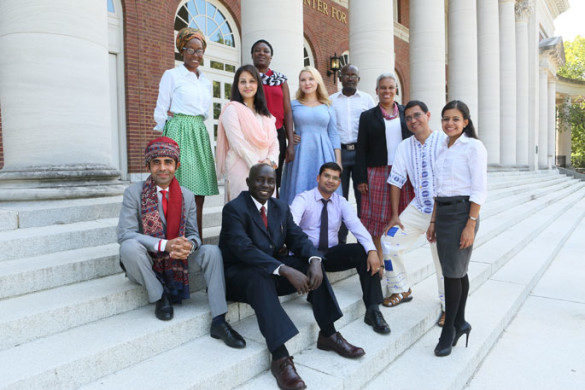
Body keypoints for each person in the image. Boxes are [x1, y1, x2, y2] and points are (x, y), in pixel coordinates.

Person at [219, 164, 364, 390]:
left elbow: (298, 238)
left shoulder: (279, 207)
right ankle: (280, 358)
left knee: (312, 265)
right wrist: (284, 269)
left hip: (267, 270)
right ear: (248, 183)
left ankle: (328, 334)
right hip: (239, 276)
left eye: (270, 181)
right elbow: (243, 249)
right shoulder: (234, 209)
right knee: (261, 278)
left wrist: (314, 260)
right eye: (260, 180)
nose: (266, 186)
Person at [117, 137, 245, 349]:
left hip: (178, 258)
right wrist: (164, 245)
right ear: (147, 166)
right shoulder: (134, 193)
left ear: (177, 165)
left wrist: (189, 246)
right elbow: (125, 234)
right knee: (128, 247)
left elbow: (194, 234)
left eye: (168, 162)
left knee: (212, 251)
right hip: (146, 262)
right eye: (156, 162)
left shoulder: (186, 195)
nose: (162, 167)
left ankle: (220, 320)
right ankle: (160, 297)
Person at [290, 162, 390, 335]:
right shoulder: (303, 199)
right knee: (314, 258)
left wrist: (372, 251)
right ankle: (318, 301)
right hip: (306, 255)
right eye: (327, 176)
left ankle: (373, 310)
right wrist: (307, 253)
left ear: (339, 182)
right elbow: (291, 226)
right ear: (318, 178)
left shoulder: (341, 202)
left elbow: (357, 227)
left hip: (330, 253)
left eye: (335, 178)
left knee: (362, 251)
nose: (331, 180)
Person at [426, 100, 487, 357]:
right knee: (457, 272)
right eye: (445, 119)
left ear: (465, 122)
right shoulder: (441, 147)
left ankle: (448, 329)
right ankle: (460, 322)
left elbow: (479, 189)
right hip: (443, 213)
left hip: (464, 214)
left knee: (452, 273)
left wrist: (470, 224)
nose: (449, 123)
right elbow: (439, 191)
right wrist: (432, 221)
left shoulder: (473, 147)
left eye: (455, 119)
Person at [381, 101, 446, 326]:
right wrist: (395, 215)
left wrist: (436, 219)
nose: (412, 121)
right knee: (388, 241)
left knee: (442, 258)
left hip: (443, 211)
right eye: (408, 118)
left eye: (417, 115)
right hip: (419, 208)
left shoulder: (443, 142)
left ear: (428, 115)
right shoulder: (404, 147)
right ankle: (400, 288)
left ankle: (449, 306)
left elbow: (447, 182)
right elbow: (396, 181)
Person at [153, 27, 218, 238]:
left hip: (198, 133)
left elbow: (205, 113)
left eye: (200, 51)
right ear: (182, 50)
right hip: (178, 133)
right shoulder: (172, 75)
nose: (195, 55)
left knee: (199, 193)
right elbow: (161, 111)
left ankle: (195, 237)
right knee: (177, 189)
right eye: (191, 49)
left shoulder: (206, 82)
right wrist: (167, 140)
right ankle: (174, 237)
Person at [355, 73, 414, 265]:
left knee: (401, 216)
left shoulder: (407, 113)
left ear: (396, 90)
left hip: (402, 172)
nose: (387, 91)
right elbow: (361, 148)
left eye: (390, 87)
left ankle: (396, 259)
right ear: (377, 91)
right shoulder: (367, 116)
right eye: (383, 88)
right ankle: (379, 260)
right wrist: (361, 178)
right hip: (377, 172)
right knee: (377, 219)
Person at [216, 64, 279, 202]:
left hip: (267, 173)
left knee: (264, 216)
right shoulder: (231, 110)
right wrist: (259, 169)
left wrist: (269, 162)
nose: (247, 85)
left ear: (258, 84)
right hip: (241, 169)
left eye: (252, 81)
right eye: (243, 81)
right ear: (237, 85)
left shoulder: (266, 115)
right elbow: (239, 144)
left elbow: (274, 144)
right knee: (242, 216)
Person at [280, 66, 342, 205]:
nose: (307, 83)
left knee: (324, 189)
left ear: (318, 81)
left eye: (310, 79)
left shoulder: (328, 106)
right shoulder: (293, 105)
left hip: (324, 153)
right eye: (303, 80)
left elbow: (333, 133)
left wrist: (338, 161)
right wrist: (289, 135)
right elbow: (280, 122)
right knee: (300, 188)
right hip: (300, 154)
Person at [329, 64, 375, 244]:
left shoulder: (367, 99)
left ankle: (364, 242)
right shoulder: (331, 100)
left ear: (358, 79)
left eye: (353, 75)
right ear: (340, 78)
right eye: (346, 75)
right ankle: (340, 242)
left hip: (360, 155)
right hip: (339, 154)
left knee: (363, 200)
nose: (350, 78)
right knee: (339, 199)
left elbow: (372, 127)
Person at [251, 39, 295, 194]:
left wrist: (290, 143)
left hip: (277, 135)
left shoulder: (281, 80)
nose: (261, 53)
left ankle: (271, 214)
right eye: (257, 50)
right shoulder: (247, 79)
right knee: (253, 173)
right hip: (253, 133)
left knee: (273, 176)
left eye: (266, 51)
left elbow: (288, 111)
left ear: (271, 57)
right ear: (252, 55)